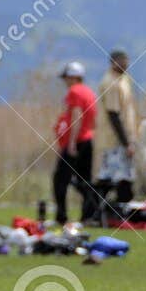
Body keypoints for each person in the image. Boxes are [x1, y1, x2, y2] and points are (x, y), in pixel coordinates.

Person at [94, 49, 140, 215]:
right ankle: (99, 212)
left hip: (125, 138)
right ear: (113, 62)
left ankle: (115, 213)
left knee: (122, 177)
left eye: (127, 61)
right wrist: (126, 142)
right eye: (122, 61)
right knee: (114, 178)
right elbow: (113, 115)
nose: (126, 65)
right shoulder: (111, 83)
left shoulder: (123, 80)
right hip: (114, 140)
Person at [53, 61, 98, 224]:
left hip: (76, 142)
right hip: (88, 140)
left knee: (60, 180)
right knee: (84, 180)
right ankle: (89, 215)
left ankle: (62, 216)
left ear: (73, 77)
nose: (65, 81)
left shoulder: (74, 91)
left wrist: (71, 143)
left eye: (66, 77)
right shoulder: (89, 92)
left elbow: (77, 116)